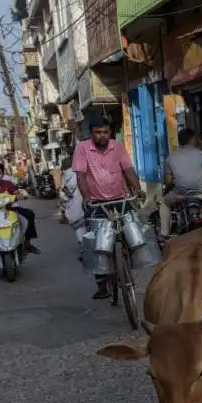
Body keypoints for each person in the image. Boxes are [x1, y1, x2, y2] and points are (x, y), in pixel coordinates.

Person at [73, 118, 144, 300]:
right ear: (91, 133)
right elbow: (81, 176)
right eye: (98, 132)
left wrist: (137, 189)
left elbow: (128, 170)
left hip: (120, 199)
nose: (102, 136)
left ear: (110, 132)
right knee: (96, 242)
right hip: (96, 202)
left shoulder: (117, 146)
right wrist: (86, 197)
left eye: (105, 132)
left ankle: (127, 265)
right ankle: (102, 284)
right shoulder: (82, 148)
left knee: (133, 232)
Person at [158, 128, 202, 241]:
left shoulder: (171, 157)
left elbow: (168, 181)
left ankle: (164, 233)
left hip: (180, 195)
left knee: (164, 203)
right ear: (192, 139)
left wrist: (171, 187)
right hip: (200, 193)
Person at [60, 156, 86, 257]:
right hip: (85, 204)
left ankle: (84, 249)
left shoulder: (66, 177)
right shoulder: (81, 173)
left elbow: (64, 196)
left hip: (74, 209)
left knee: (79, 229)